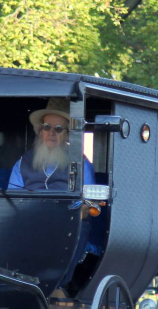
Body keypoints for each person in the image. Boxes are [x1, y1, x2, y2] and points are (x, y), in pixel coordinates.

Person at [8, 98, 97, 291]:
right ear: (40, 130)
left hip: (68, 227)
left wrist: (62, 219)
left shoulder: (81, 165)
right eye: (47, 127)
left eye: (58, 129)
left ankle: (54, 287)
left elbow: (88, 206)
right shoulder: (23, 162)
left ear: (67, 134)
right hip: (29, 225)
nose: (51, 133)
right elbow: (13, 201)